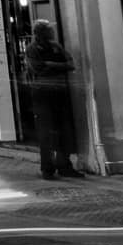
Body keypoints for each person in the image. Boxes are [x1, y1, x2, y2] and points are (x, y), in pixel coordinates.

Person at [25, 19, 84, 180]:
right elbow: (38, 68)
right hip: (42, 95)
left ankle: (64, 165)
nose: (52, 34)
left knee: (64, 130)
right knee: (46, 132)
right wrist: (58, 65)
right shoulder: (32, 49)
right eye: (49, 31)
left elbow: (71, 64)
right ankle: (47, 168)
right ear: (40, 33)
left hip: (59, 93)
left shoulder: (56, 47)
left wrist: (50, 64)